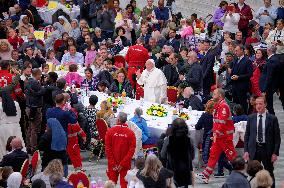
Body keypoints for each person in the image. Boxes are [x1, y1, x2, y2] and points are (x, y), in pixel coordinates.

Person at [196, 88, 237, 184]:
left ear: (220, 95)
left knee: (232, 156)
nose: (212, 95)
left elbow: (222, 123)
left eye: (214, 94)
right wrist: (215, 134)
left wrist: (216, 133)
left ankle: (240, 173)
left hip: (225, 137)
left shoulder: (223, 106)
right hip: (219, 137)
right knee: (213, 156)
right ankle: (205, 176)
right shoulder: (218, 106)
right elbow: (216, 122)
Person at [244, 96, 281, 188]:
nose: (258, 106)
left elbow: (277, 137)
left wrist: (275, 153)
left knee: (269, 172)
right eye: (257, 104)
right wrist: (246, 150)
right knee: (253, 173)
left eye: (260, 104)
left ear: (265, 104)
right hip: (254, 148)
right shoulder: (251, 118)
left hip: (267, 149)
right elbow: (247, 135)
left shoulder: (272, 119)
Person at [105, 112, 136, 188]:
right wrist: (122, 164)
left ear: (117, 120)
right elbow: (131, 151)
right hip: (125, 164)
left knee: (111, 184)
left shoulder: (110, 131)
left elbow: (108, 149)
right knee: (124, 185)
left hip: (113, 164)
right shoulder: (131, 133)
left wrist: (113, 163)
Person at [161, 118, 194, 187]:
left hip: (172, 171)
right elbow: (192, 156)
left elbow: (162, 155)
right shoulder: (189, 140)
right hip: (185, 172)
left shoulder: (168, 140)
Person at [25, 68, 46, 153]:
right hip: (35, 107)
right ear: (37, 74)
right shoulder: (35, 83)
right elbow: (41, 92)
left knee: (30, 127)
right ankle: (34, 147)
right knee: (34, 128)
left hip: (29, 106)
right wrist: (44, 87)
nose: (41, 76)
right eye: (40, 75)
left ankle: (28, 146)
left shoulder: (28, 81)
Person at [231, 45, 253, 114]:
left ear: (242, 51)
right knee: (235, 104)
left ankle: (244, 118)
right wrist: (232, 76)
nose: (235, 52)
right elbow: (233, 71)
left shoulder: (247, 61)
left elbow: (250, 74)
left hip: (242, 87)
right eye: (235, 50)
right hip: (235, 86)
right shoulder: (236, 60)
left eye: (237, 50)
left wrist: (239, 77)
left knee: (242, 104)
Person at [259, 45, 280, 115]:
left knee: (268, 106)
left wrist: (264, 89)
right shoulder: (273, 59)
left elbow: (269, 76)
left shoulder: (272, 60)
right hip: (269, 87)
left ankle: (272, 123)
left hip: (268, 88)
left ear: (269, 50)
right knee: (268, 106)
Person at [195, 99, 215, 165]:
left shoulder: (205, 115)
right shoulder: (217, 116)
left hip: (208, 135)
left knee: (206, 147)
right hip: (216, 135)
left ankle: (206, 162)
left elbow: (197, 127)